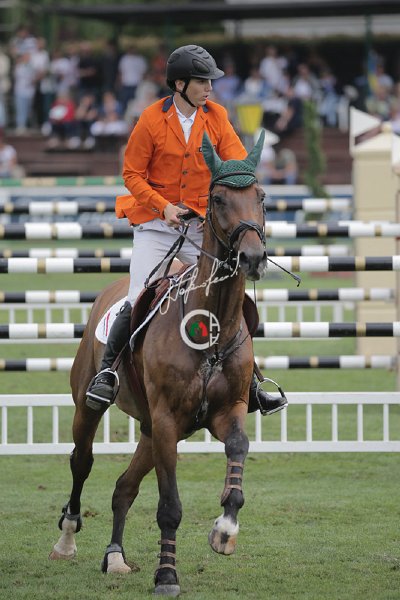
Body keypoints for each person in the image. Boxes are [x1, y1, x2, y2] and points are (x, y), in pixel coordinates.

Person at [86, 44, 287, 418]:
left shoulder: (217, 116)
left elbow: (234, 164)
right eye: (202, 81)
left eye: (210, 82)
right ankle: (107, 373)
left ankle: (251, 382)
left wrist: (243, 186)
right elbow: (132, 174)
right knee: (138, 295)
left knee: (229, 295)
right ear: (180, 84)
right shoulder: (150, 119)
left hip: (199, 227)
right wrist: (162, 206)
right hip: (156, 224)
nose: (209, 88)